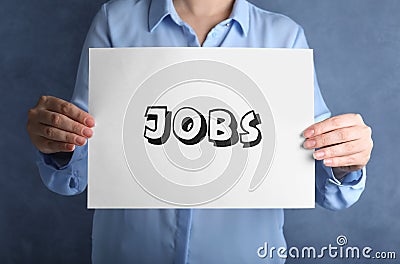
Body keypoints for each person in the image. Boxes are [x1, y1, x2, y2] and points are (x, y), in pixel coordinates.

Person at [26, 0, 373, 263]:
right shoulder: (114, 22)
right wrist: (58, 143)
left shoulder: (285, 37)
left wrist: (344, 158)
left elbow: (325, 184)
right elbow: (76, 174)